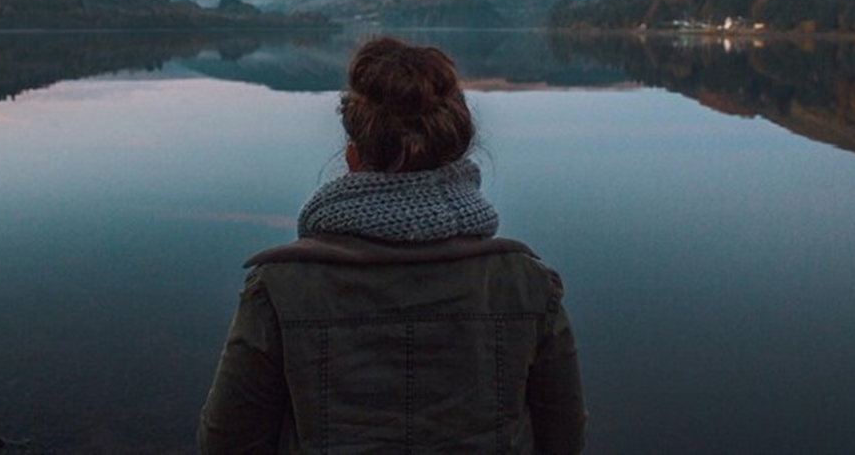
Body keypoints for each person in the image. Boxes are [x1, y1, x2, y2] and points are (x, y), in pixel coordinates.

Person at [198, 37, 587, 454]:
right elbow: (563, 440)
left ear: (352, 157)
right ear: (456, 159)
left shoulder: (278, 290)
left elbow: (226, 444)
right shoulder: (527, 284)